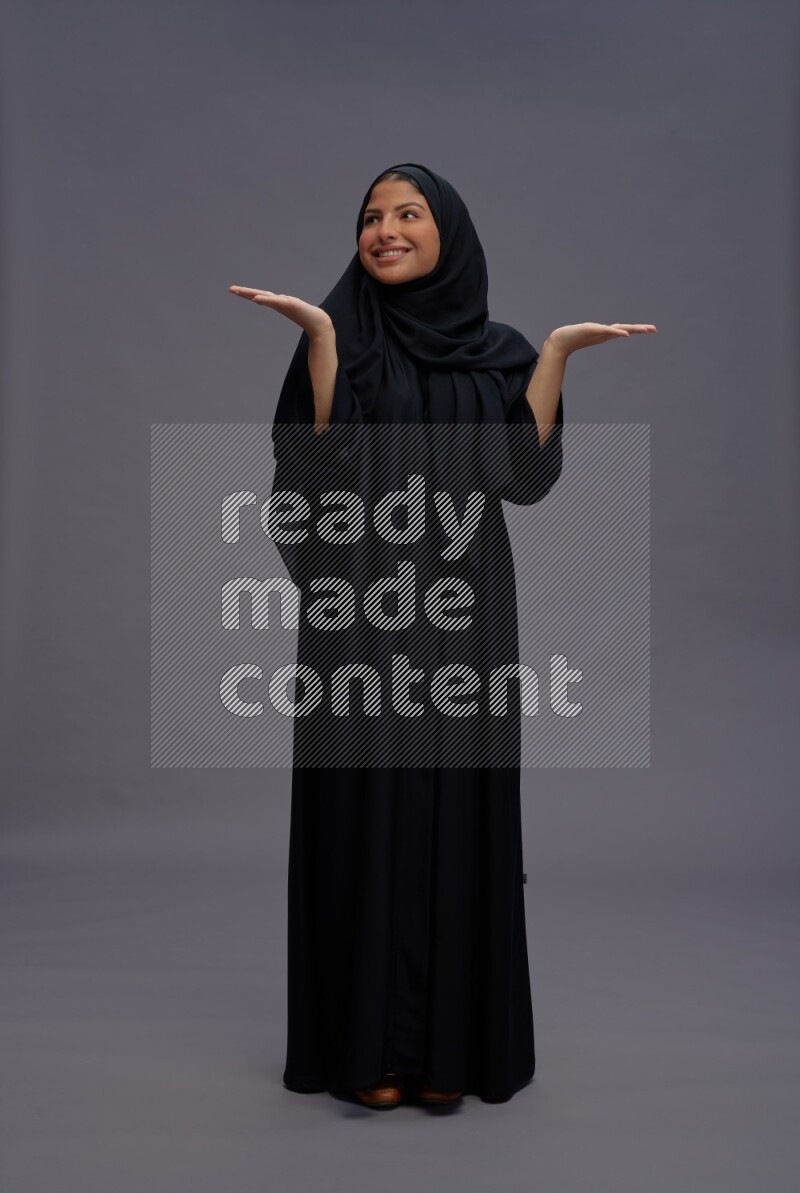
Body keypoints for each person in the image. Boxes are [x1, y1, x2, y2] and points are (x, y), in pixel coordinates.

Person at [229, 162, 656, 1109]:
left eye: (408, 213)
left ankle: (446, 1052)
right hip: (360, 612)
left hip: (465, 617)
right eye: (371, 217)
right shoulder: (336, 343)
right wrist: (326, 343)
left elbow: (521, 478)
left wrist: (553, 355)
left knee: (456, 810)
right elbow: (318, 472)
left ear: (448, 230)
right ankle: (369, 1049)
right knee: (365, 813)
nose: (385, 229)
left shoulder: (496, 352)